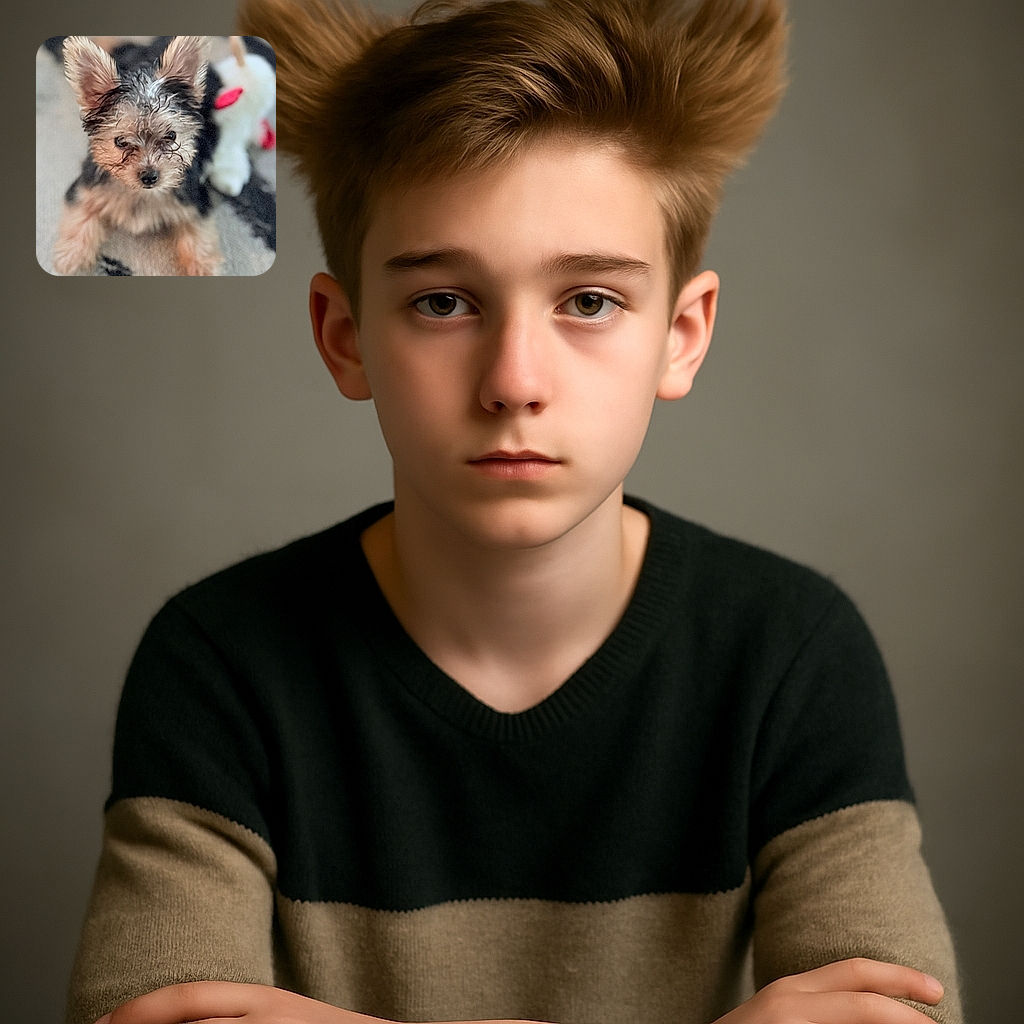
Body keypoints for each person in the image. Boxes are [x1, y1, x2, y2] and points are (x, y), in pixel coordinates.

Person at [66, 1, 963, 1023]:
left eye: (589, 301)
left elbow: (897, 1012)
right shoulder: (221, 662)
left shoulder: (790, 652)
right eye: (443, 302)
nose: (514, 382)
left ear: (681, 334)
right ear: (345, 336)